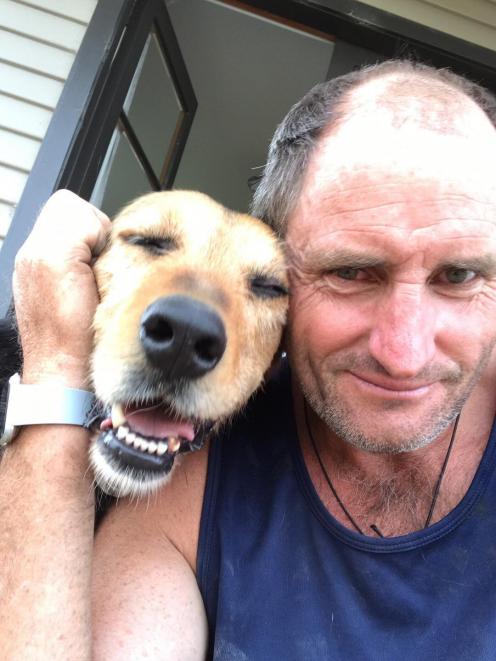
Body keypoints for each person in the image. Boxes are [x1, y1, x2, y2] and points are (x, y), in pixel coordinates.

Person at [2, 59, 496, 660]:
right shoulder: (200, 487)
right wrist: (54, 368)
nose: (404, 353)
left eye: (461, 274)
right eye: (349, 271)